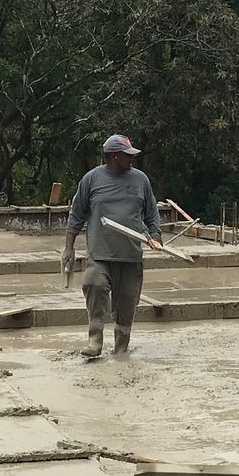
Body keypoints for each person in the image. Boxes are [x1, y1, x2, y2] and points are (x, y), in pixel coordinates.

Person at [63, 134, 163, 358]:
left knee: (126, 305)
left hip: (130, 256)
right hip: (100, 253)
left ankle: (120, 351)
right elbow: (76, 215)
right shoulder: (92, 179)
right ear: (114, 156)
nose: (132, 159)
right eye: (128, 156)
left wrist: (155, 235)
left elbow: (152, 213)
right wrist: (68, 247)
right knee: (94, 285)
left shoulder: (140, 180)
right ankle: (95, 341)